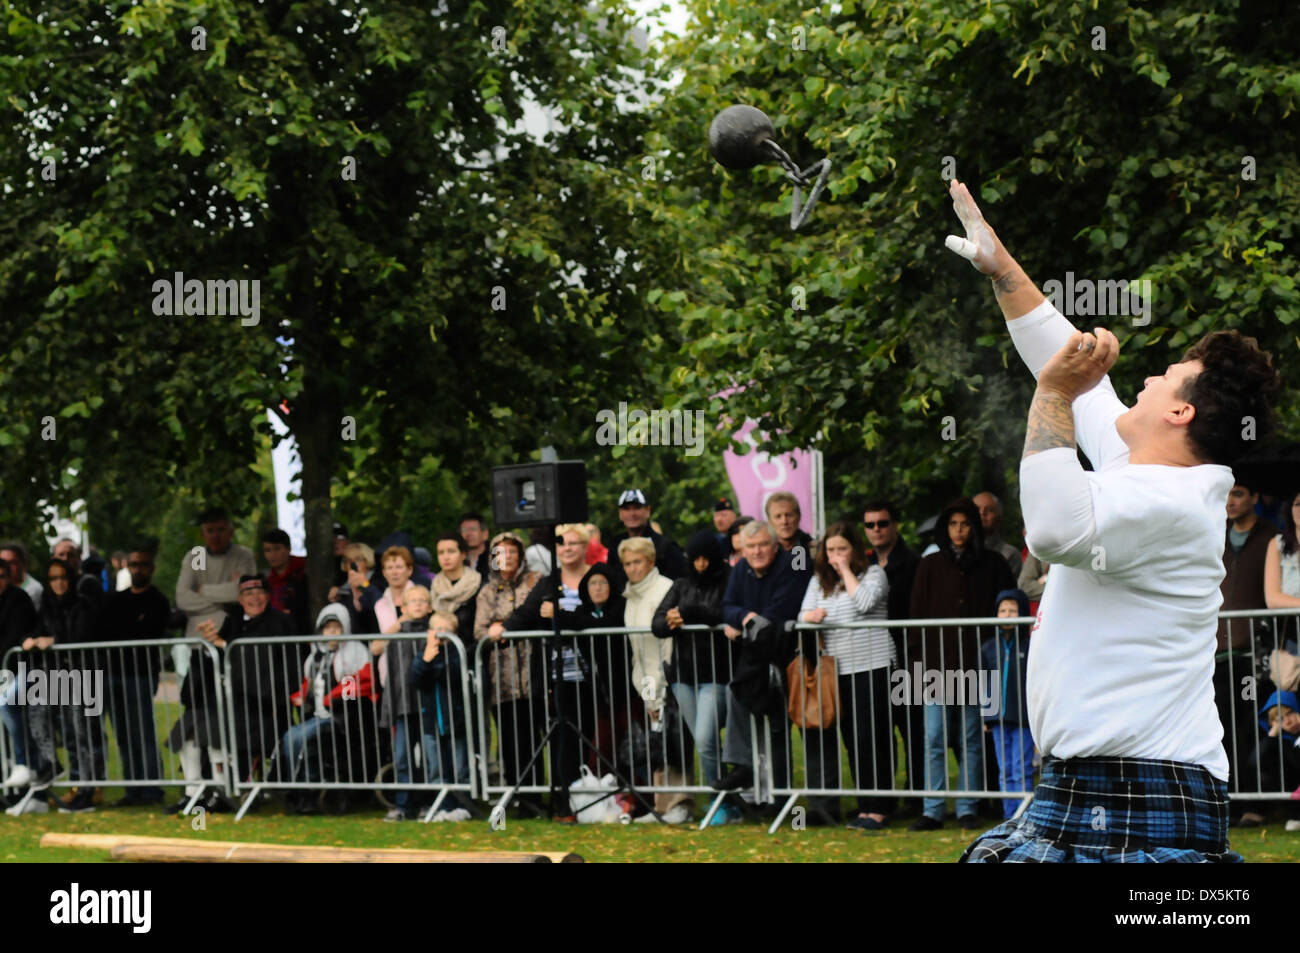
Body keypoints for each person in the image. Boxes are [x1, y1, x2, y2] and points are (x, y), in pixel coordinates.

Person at [945, 177, 1279, 862]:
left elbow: (1054, 528)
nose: (1146, 379)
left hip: (1146, 785)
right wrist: (1002, 268)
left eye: (1163, 376)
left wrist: (1050, 395)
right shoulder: (1143, 470)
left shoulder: (1176, 502)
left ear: (1180, 412)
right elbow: (1068, 362)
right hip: (1092, 784)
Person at [908, 497, 1015, 831]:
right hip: (935, 667)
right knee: (935, 736)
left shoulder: (993, 563)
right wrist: (917, 665)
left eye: (965, 523)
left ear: (974, 526)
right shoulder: (930, 565)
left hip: (976, 664)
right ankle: (933, 808)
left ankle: (968, 806)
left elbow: (1006, 612)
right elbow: (916, 617)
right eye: (953, 524)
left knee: (970, 736)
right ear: (945, 527)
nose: (959, 531)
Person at [798, 520, 896, 830]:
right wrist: (810, 616)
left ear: (854, 549)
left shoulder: (874, 574)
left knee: (873, 736)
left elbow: (864, 603)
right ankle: (865, 805)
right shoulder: (819, 580)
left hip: (873, 664)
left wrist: (846, 571)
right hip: (837, 668)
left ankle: (880, 806)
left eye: (842, 549)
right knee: (852, 739)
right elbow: (801, 613)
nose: (835, 555)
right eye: (830, 550)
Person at [165, 574, 288, 815]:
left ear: (268, 595)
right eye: (248, 594)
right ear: (240, 599)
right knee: (189, 723)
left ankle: (223, 792)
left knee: (212, 727)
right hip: (225, 703)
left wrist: (223, 646)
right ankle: (193, 792)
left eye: (259, 592)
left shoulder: (278, 623)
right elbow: (209, 670)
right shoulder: (233, 624)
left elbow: (259, 666)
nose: (254, 598)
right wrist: (209, 647)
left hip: (260, 705)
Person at [505, 524, 597, 820]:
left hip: (594, 675)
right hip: (558, 677)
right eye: (561, 543)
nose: (567, 548)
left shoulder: (598, 578)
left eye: (573, 543)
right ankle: (564, 805)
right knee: (561, 742)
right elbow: (525, 613)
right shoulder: (549, 582)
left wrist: (561, 616)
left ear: (584, 546)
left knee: (594, 739)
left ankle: (596, 800)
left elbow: (601, 620)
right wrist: (504, 628)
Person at [714, 520, 805, 796]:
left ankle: (807, 800)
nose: (757, 551)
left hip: (789, 658)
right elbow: (727, 606)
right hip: (754, 661)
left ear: (775, 546)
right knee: (738, 696)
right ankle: (746, 771)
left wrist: (745, 623)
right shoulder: (741, 568)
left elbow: (782, 610)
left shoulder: (792, 565)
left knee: (782, 729)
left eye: (763, 545)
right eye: (750, 546)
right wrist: (745, 617)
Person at [651, 531, 733, 813]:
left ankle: (721, 798)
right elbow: (657, 623)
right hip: (683, 675)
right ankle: (723, 794)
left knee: (707, 737)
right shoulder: (680, 584)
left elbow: (723, 614)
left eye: (705, 559)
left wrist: (686, 613)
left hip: (716, 673)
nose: (700, 564)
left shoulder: (727, 580)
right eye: (695, 559)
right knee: (702, 741)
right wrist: (671, 618)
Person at [617, 535, 689, 823]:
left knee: (674, 741)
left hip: (668, 676)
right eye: (627, 563)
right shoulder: (630, 595)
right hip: (644, 678)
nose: (632, 568)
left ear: (650, 562)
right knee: (658, 742)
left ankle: (681, 804)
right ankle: (662, 806)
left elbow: (664, 646)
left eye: (637, 562)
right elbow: (637, 650)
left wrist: (658, 689)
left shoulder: (663, 589)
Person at [474, 532, 544, 814]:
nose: (507, 558)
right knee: (510, 739)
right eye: (501, 553)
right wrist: (492, 632)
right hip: (502, 676)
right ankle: (519, 797)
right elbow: (479, 630)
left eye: (512, 552)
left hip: (533, 673)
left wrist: (507, 626)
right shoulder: (488, 592)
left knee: (535, 735)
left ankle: (540, 794)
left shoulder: (535, 581)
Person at [281, 604, 375, 814]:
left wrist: (331, 698)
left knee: (301, 738)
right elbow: (310, 684)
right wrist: (300, 696)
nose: (332, 632)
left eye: (336, 627)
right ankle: (297, 787)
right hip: (318, 716)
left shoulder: (356, 652)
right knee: (289, 737)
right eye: (327, 628)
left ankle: (307, 789)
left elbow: (360, 683)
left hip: (342, 718)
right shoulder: (315, 656)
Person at [862, 500, 924, 804]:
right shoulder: (865, 565)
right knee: (882, 729)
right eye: (870, 525)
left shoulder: (913, 562)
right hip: (874, 657)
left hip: (908, 656)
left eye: (882, 523)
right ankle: (885, 797)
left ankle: (916, 796)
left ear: (894, 525)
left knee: (912, 728)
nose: (876, 530)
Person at [98, 548, 170, 807]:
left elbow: (148, 631)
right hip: (114, 674)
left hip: (140, 674)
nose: (137, 569)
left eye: (142, 564)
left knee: (144, 731)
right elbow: (106, 631)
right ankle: (133, 788)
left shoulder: (157, 601)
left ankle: (152, 787)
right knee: (124, 734)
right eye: (133, 564)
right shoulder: (115, 601)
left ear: (151, 568)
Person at [1217, 480, 1275, 781]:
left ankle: (1255, 803)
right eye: (1227, 493)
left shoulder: (1272, 537)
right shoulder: (1215, 534)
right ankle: (1231, 800)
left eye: (1238, 493)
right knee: (1220, 725)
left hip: (1254, 650)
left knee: (1250, 724)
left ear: (1255, 497)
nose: (1230, 501)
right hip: (1217, 651)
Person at [40, 555, 105, 813]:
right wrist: (33, 639)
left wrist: (51, 640)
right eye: (53, 578)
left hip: (83, 675)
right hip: (59, 677)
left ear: (71, 579)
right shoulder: (47, 606)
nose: (58, 583)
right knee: (69, 735)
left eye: (63, 577)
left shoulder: (82, 605)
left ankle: (89, 789)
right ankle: (78, 785)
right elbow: (34, 630)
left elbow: (79, 637)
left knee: (84, 733)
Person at [367, 551, 423, 821]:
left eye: (399, 566)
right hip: (393, 682)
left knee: (425, 748)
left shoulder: (420, 594)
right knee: (401, 750)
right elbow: (376, 645)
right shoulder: (380, 603)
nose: (394, 572)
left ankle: (427, 801)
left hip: (421, 681)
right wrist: (399, 623)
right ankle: (403, 804)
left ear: (409, 569)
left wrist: (392, 630)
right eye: (389, 567)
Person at [410, 610, 473, 820]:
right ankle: (442, 806)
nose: (441, 634)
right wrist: (427, 658)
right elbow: (416, 678)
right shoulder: (424, 653)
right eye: (437, 629)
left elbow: (452, 674)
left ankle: (462, 806)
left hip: (455, 722)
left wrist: (434, 662)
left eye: (446, 630)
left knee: (459, 767)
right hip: (431, 724)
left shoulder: (457, 653)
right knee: (436, 768)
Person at [980, 589, 1035, 821]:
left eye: (1013, 610)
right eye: (1003, 610)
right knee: (1006, 771)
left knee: (1021, 769)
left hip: (1023, 717)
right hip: (998, 719)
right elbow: (984, 681)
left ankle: (1025, 818)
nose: (1008, 614)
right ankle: (1010, 817)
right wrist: (986, 716)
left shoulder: (1031, 645)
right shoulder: (988, 647)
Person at [0, 556, 49, 800]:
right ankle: (16, 778)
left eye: (1, 576)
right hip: (6, 670)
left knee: (7, 705)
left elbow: (12, 639)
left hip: (24, 669)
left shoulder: (18, 599)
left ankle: (25, 763)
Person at [174, 507, 257, 646]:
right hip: (198, 639)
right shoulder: (196, 556)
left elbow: (244, 593)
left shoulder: (243, 555)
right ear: (202, 534)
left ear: (230, 532)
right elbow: (182, 598)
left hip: (234, 638)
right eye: (210, 530)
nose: (215, 535)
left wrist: (202, 590)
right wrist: (226, 603)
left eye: (220, 529)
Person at [604, 489, 686, 592]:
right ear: (620, 513)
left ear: (648, 511)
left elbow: (680, 583)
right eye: (627, 509)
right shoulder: (615, 545)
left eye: (637, 508)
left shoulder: (665, 546)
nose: (632, 513)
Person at [431, 533, 482, 639]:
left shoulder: (477, 584)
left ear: (463, 554)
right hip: (441, 651)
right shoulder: (434, 586)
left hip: (471, 650)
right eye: (441, 552)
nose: (446, 557)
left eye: (451, 551)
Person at [262, 528, 310, 634]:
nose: (272, 555)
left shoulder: (304, 573)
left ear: (288, 549)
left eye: (277, 549)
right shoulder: (266, 580)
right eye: (268, 550)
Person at [973, 492, 1023, 578]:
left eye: (990, 510)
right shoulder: (954, 551)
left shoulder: (1009, 554)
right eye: (976, 509)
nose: (982, 513)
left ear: (999, 517)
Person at [333, 542, 378, 635]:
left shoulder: (378, 580)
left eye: (358, 559)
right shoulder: (342, 588)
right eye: (348, 560)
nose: (352, 565)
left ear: (367, 560)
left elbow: (378, 604)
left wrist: (365, 584)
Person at [0, 541, 44, 610]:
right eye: (2, 563)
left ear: (23, 564)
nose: (5, 567)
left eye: (11, 563)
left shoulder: (33, 589)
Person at [459, 513, 491, 579]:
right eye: (464, 530)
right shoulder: (456, 559)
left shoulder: (496, 557)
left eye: (473, 529)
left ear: (485, 534)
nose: (468, 534)